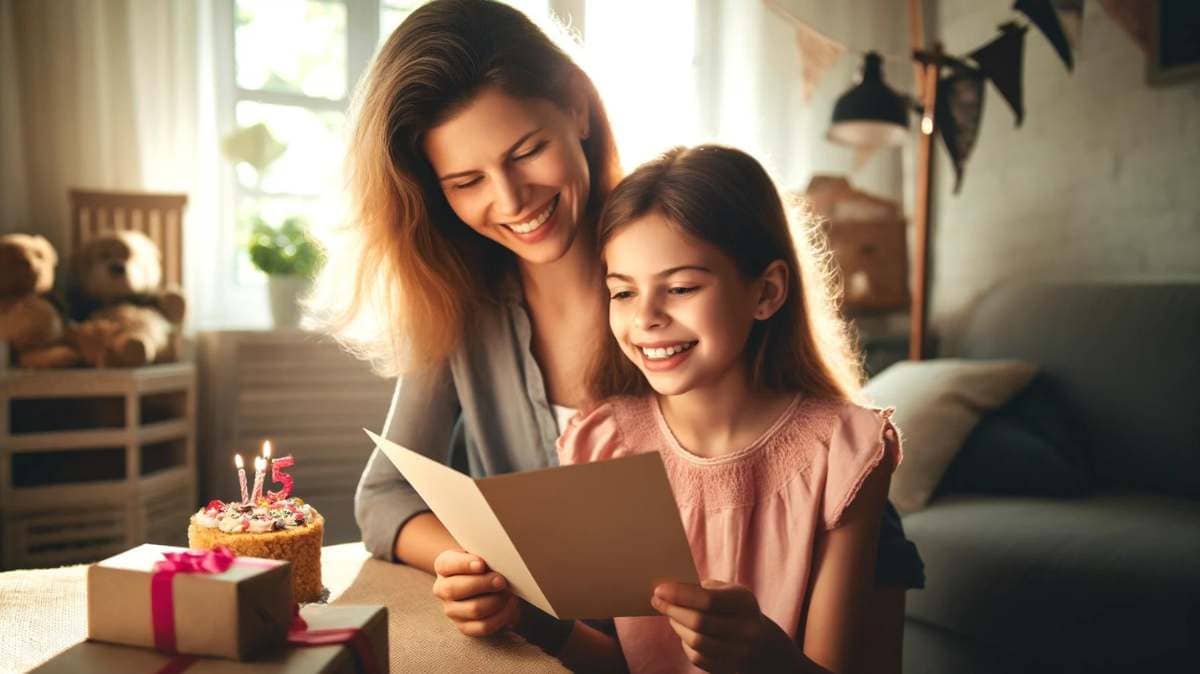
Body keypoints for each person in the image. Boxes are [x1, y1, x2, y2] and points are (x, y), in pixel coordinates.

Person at [322, 0, 922, 668]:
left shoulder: (669, 232)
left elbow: (815, 454)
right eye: (466, 181)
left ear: (578, 108)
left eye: (527, 151)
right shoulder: (463, 301)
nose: (512, 200)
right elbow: (383, 497)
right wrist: (491, 569)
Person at [555, 144, 900, 673]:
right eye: (623, 293)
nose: (645, 317)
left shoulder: (846, 453)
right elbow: (617, 666)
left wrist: (766, 655)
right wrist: (532, 622)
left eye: (681, 287)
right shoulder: (602, 442)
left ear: (766, 292)